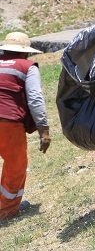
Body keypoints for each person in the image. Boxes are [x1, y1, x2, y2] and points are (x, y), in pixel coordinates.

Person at [0, 32, 50, 220]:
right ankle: (6, 210)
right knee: (16, 166)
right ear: (25, 52)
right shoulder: (26, 67)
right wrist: (43, 130)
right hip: (7, 123)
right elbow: (35, 99)